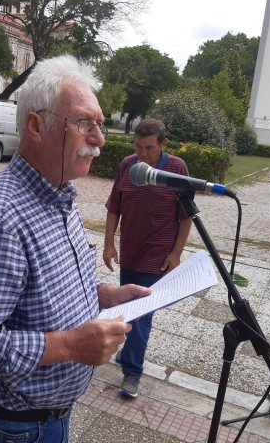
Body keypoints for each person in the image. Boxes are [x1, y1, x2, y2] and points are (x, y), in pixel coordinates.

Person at [0, 54, 151, 443]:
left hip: (47, 420)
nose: (99, 139)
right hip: (6, 429)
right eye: (84, 124)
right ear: (37, 126)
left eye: (99, 125)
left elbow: (46, 288)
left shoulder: (60, 196)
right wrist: (69, 345)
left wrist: (103, 295)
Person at [103, 118, 192, 398]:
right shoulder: (127, 166)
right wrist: (109, 243)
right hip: (130, 252)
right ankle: (129, 354)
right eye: (138, 147)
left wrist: (176, 253)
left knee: (141, 315)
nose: (142, 154)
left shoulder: (176, 169)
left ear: (163, 144)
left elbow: (186, 216)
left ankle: (132, 373)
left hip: (157, 257)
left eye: (149, 148)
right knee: (128, 308)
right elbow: (114, 207)